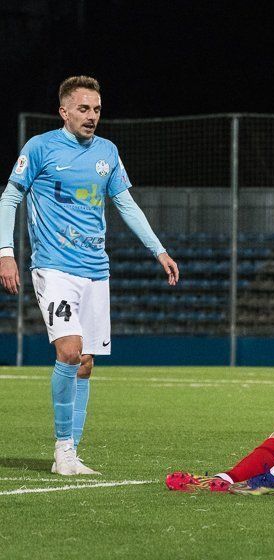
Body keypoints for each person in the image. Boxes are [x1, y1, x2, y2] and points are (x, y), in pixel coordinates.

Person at [0, 76, 179, 476]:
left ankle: (72, 454)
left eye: (97, 109)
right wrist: (5, 254)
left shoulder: (107, 152)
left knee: (84, 364)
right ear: (64, 111)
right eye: (83, 109)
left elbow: (126, 204)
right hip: (54, 267)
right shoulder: (41, 147)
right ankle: (63, 451)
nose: (92, 116)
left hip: (96, 271)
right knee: (68, 350)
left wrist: (159, 250)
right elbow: (10, 197)